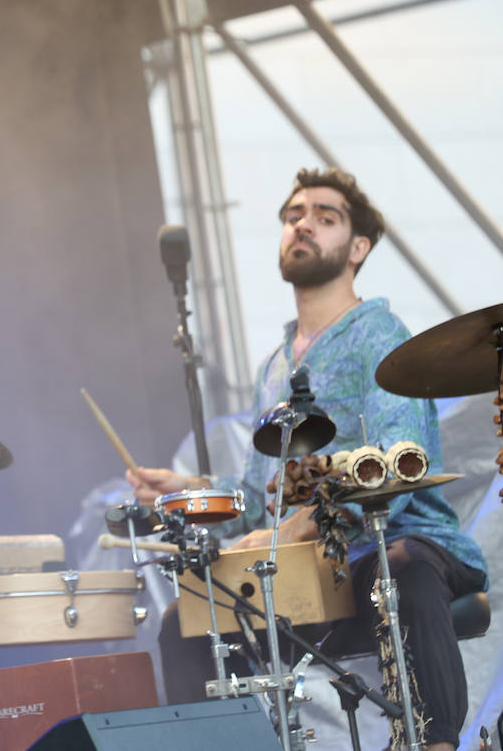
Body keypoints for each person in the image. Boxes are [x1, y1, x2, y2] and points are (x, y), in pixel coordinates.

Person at [127, 167, 487, 751]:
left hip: (385, 540)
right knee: (185, 624)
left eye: (326, 217)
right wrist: (190, 487)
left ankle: (438, 744)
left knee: (405, 571)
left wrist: (302, 523)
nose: (304, 224)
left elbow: (400, 458)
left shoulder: (379, 334)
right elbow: (256, 493)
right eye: (295, 215)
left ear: (358, 248)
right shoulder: (272, 364)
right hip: (298, 566)